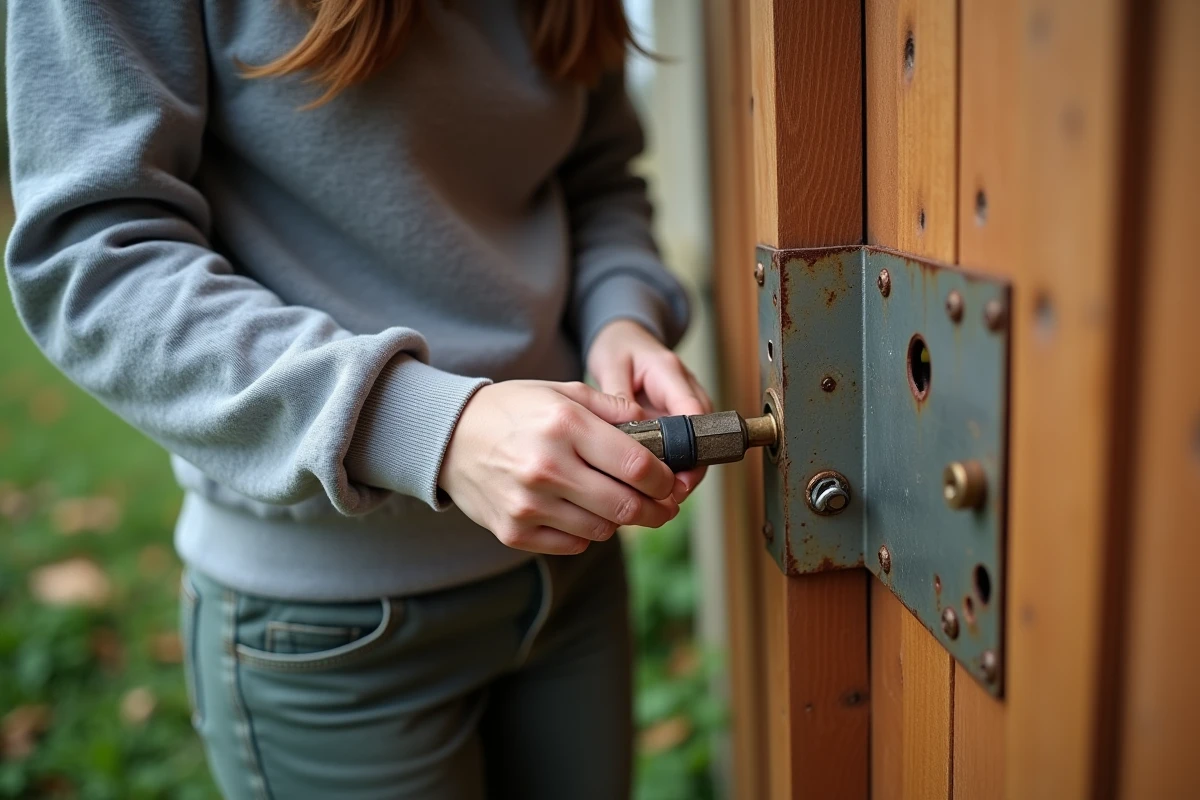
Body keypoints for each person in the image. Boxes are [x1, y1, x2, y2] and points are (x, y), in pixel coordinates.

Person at [4, 1, 712, 798]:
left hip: (573, 584)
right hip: (331, 631)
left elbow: (595, 176)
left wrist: (619, 315)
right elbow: (93, 261)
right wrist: (430, 428)